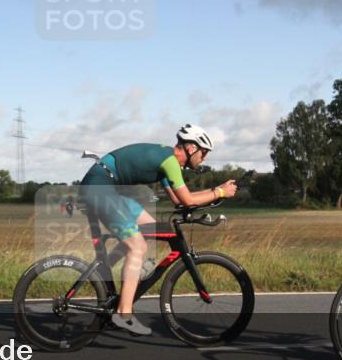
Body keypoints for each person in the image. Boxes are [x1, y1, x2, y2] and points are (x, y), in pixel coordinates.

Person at [78, 124, 238, 336]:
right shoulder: (169, 161)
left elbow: (179, 200)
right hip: (100, 188)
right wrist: (219, 192)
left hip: (106, 188)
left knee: (149, 226)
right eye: (204, 152)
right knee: (138, 247)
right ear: (191, 148)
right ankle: (123, 314)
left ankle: (107, 269)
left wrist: (211, 197)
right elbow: (187, 198)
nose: (205, 158)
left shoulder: (167, 162)